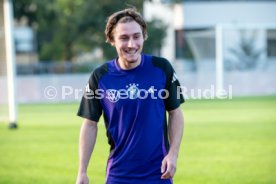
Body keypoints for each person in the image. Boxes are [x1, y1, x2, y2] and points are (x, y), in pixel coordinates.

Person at [76, 8, 184, 184]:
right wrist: (82, 171)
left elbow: (176, 113)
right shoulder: (100, 76)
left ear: (144, 37)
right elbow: (89, 124)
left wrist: (173, 154)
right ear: (112, 40)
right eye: (124, 38)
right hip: (119, 175)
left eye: (136, 36)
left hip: (159, 174)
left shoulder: (161, 68)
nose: (131, 44)